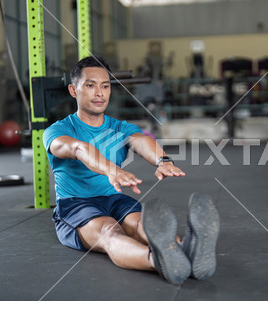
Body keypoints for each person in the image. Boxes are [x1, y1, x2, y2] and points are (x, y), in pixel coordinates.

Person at [43, 56, 220, 285]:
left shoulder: (119, 127)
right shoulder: (57, 130)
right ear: (73, 90)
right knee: (109, 232)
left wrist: (162, 160)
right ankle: (160, 261)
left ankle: (184, 251)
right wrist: (111, 169)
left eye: (105, 86)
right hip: (76, 204)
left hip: (114, 199)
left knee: (143, 226)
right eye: (90, 85)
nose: (99, 93)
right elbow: (79, 148)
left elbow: (140, 140)